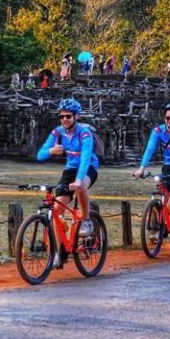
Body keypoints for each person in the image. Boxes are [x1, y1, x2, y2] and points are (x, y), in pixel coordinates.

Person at [36, 98, 98, 266]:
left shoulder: (84, 133)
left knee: (81, 187)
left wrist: (79, 180)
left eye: (68, 116)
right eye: (62, 116)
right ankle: (59, 251)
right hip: (69, 170)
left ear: (76, 116)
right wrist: (51, 150)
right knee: (57, 210)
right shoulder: (58, 133)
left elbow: (85, 158)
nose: (64, 120)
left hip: (88, 168)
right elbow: (39, 155)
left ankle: (86, 219)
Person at [133, 103, 170, 226]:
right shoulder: (158, 131)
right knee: (160, 194)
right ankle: (156, 228)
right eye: (167, 118)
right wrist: (141, 168)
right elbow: (149, 149)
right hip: (168, 165)